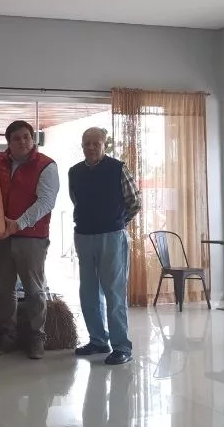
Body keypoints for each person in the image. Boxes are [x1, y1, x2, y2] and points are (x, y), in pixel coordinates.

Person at [69, 127, 141, 365]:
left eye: (96, 143)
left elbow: (134, 202)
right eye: (86, 143)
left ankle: (122, 347)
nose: (91, 147)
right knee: (88, 292)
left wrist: (117, 222)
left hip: (112, 236)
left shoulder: (118, 168)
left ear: (104, 145)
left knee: (114, 293)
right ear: (82, 146)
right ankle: (98, 340)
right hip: (84, 236)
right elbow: (76, 201)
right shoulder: (74, 172)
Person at [0, 121, 59, 359]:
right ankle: (7, 336)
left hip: (31, 237)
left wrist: (18, 224)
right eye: (16, 138)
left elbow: (46, 202)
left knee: (34, 290)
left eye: (26, 137)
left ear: (33, 139)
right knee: (4, 289)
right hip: (1, 236)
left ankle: (36, 337)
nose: (22, 142)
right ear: (8, 142)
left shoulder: (46, 165)